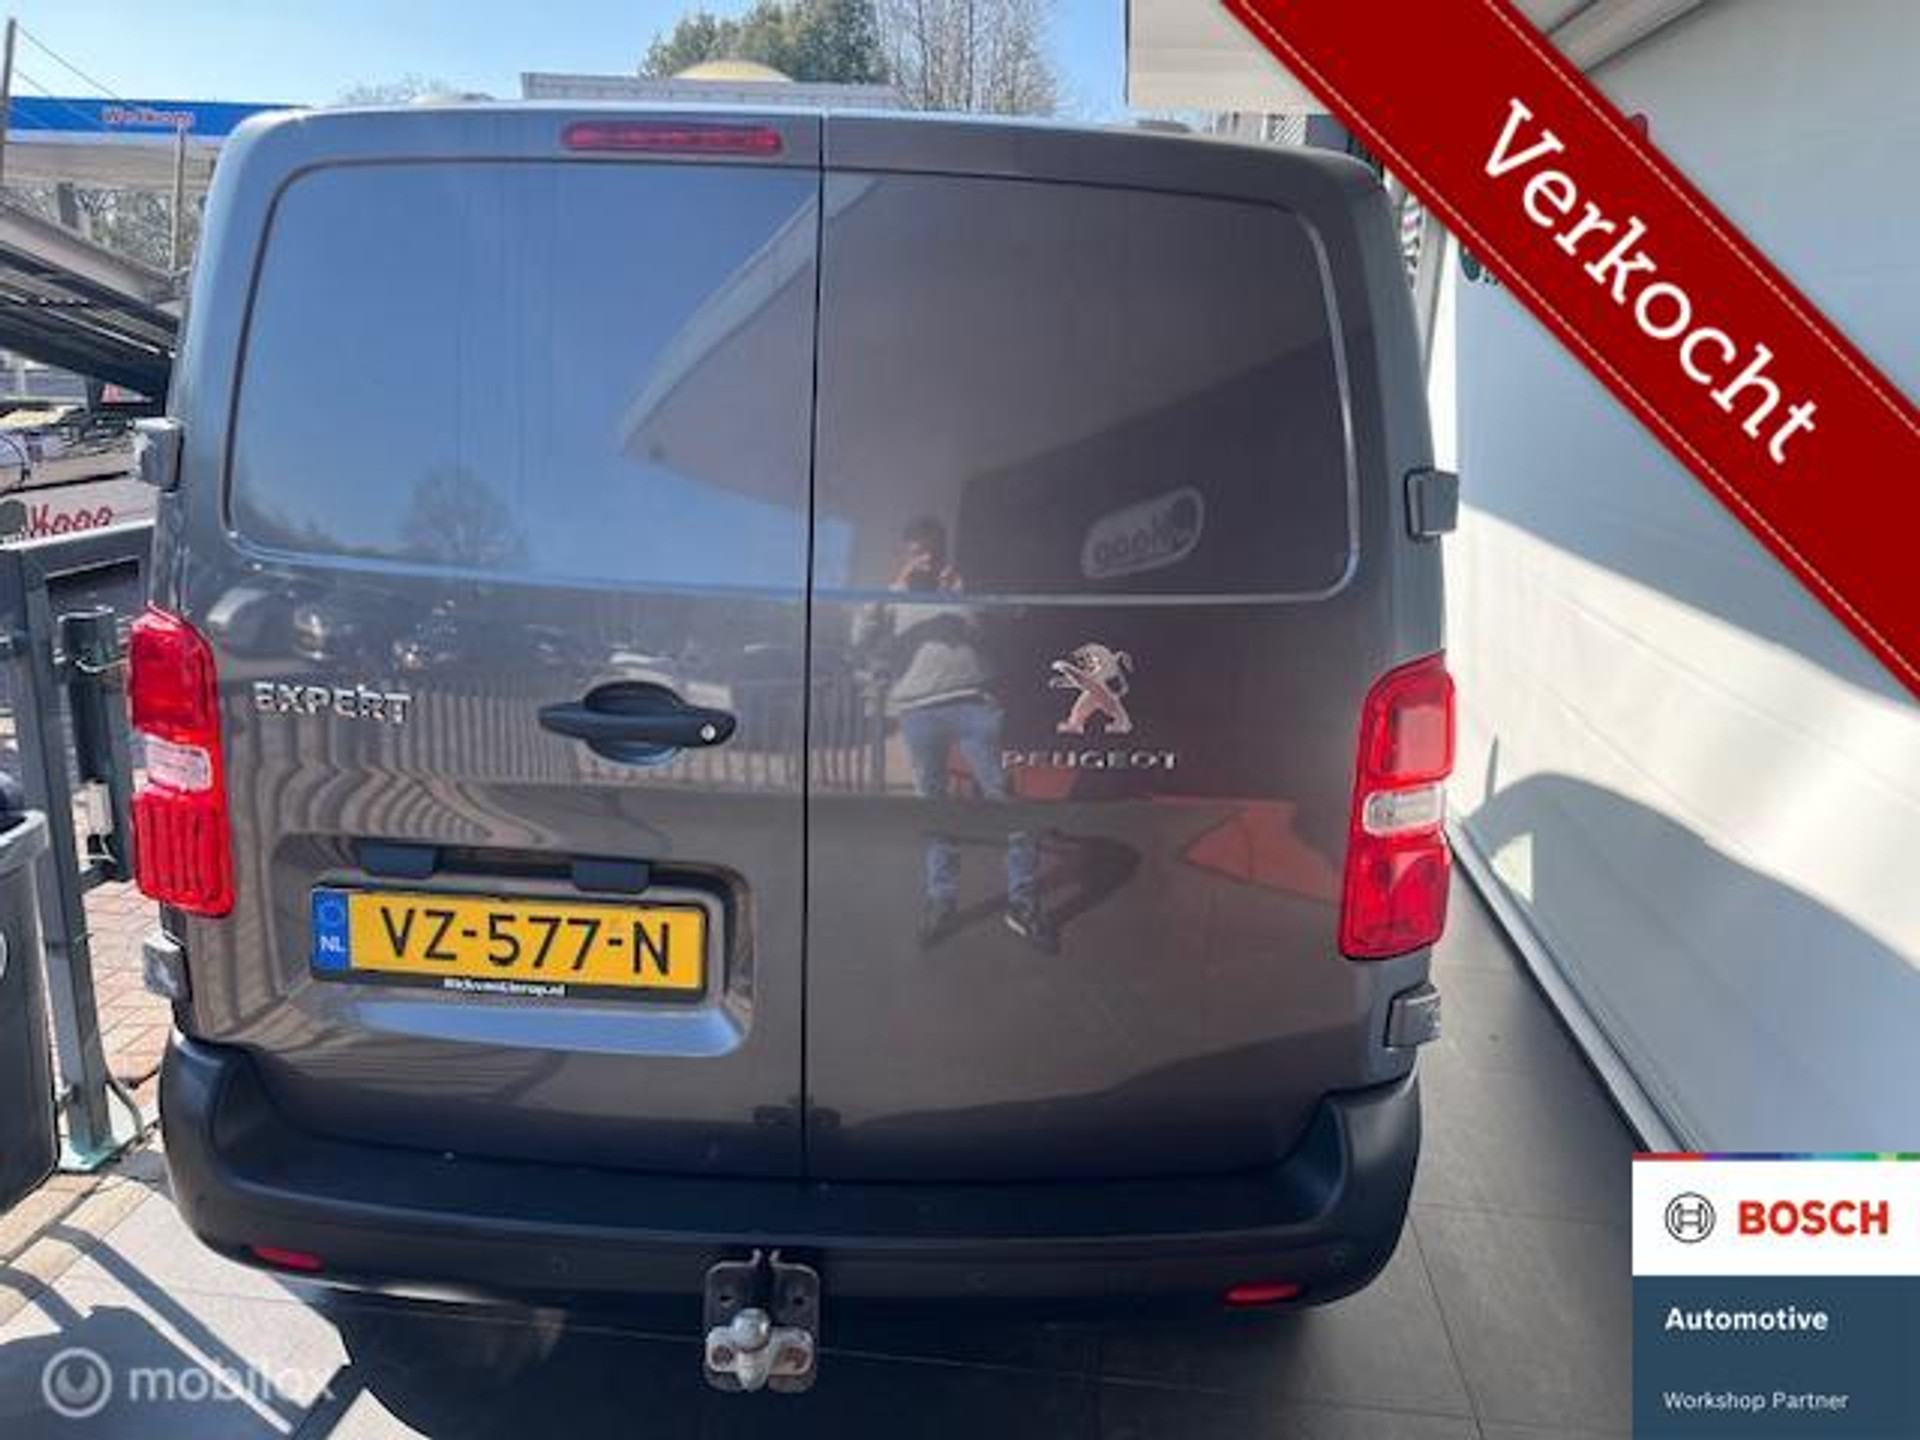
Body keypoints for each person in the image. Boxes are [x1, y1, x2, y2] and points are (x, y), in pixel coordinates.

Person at [854, 517, 1051, 950]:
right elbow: (860, 641)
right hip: (919, 712)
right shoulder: (891, 599)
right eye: (917, 552)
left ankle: (1022, 902)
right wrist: (893, 589)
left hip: (973, 706)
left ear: (943, 553)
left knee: (1008, 804)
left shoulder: (960, 590)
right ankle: (941, 899)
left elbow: (1013, 616)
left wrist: (965, 596)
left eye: (932, 551)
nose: (926, 560)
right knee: (935, 809)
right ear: (904, 555)